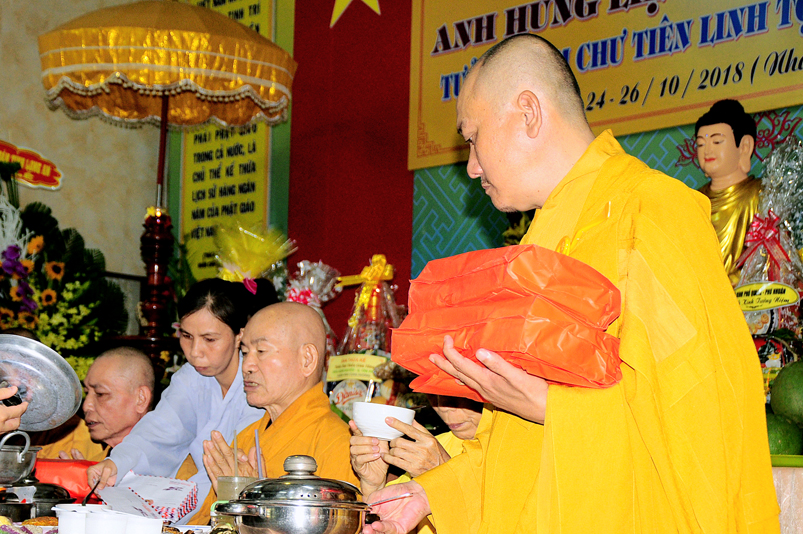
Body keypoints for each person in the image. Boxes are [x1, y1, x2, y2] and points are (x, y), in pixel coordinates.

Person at [363, 34, 779, 534]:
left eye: (472, 138)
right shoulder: (540, 244)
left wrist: (550, 407)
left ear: (528, 113)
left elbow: (703, 421)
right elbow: (514, 450)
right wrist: (433, 493)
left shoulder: (651, 212)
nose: (471, 167)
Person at [87, 278, 277, 523]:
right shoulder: (190, 378)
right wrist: (115, 464)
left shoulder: (258, 386)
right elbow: (158, 434)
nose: (194, 351)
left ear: (240, 334)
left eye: (209, 339)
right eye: (187, 336)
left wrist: (168, 513)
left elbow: (231, 471)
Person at [188, 302, 358, 525]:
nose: (247, 366)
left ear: (307, 359)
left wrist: (255, 503)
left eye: (261, 351)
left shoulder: (339, 444)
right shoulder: (247, 437)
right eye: (245, 352)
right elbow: (209, 523)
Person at [350, 395, 484, 534]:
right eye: (434, 394)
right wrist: (374, 486)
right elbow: (388, 524)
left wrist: (444, 481)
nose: (443, 407)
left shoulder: (501, 453)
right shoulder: (431, 448)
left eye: (455, 392)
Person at [38, 346, 155, 461]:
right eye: (87, 393)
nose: (86, 406)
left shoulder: (161, 461)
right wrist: (80, 472)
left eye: (100, 394)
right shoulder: (99, 461)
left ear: (141, 399)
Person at [696, 99, 760, 285]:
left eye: (717, 141)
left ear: (744, 146)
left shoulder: (759, 195)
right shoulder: (694, 200)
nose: (707, 150)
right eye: (701, 144)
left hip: (748, 296)